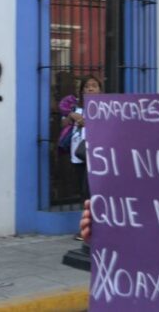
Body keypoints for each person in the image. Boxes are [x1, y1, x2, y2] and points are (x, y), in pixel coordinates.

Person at [61, 75, 101, 240]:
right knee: (83, 193)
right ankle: (88, 228)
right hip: (78, 155)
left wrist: (89, 122)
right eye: (87, 86)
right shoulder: (76, 109)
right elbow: (63, 125)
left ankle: (89, 230)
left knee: (89, 193)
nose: (91, 88)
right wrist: (71, 116)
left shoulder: (104, 108)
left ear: (100, 90)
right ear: (82, 90)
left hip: (95, 156)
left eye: (94, 86)